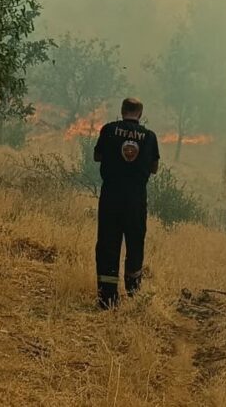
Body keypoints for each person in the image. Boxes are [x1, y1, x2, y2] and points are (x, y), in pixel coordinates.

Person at [93, 97, 161, 309]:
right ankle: (134, 293)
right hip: (135, 200)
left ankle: (107, 298)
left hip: (111, 197)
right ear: (140, 114)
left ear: (122, 111)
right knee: (135, 244)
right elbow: (154, 168)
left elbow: (97, 156)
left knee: (108, 245)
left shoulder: (108, 130)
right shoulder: (149, 136)